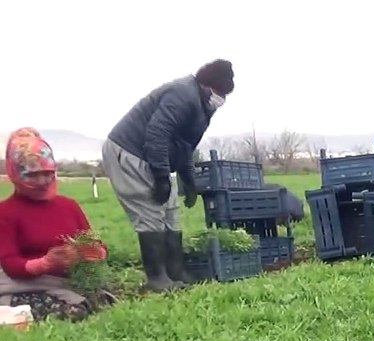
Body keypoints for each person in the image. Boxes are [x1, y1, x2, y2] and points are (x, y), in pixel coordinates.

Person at [101, 59, 235, 292]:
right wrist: (162, 176)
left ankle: (175, 272)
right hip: (130, 151)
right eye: (218, 92)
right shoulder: (183, 95)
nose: (220, 99)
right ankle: (157, 278)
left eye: (224, 95)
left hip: (152, 156)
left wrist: (189, 181)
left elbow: (184, 146)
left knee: (171, 212)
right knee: (151, 209)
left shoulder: (204, 107)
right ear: (205, 84)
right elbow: (157, 133)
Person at [0, 128, 110, 321]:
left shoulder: (69, 206)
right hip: (26, 284)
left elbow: (97, 245)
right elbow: (10, 265)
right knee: (75, 312)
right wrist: (45, 263)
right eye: (32, 175)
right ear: (15, 174)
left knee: (104, 301)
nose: (42, 181)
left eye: (47, 173)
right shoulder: (6, 212)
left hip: (68, 282)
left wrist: (94, 253)